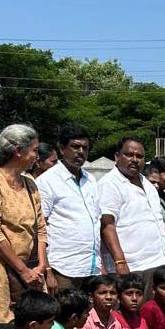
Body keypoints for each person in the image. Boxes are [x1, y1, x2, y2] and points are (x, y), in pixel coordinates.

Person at [0, 124, 49, 324]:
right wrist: (23, 271)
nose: (37, 156)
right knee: (1, 325)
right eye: (34, 150)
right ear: (18, 151)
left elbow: (40, 229)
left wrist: (41, 266)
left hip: (32, 269)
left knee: (35, 323)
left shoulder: (30, 183)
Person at [100, 137, 165, 290]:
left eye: (139, 156)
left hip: (156, 263)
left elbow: (157, 223)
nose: (134, 160)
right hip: (131, 267)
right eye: (129, 155)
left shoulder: (148, 184)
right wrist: (120, 262)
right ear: (117, 156)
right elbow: (107, 225)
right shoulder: (109, 184)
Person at [38, 125, 102, 292]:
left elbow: (96, 220)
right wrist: (48, 270)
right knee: (63, 316)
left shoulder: (91, 180)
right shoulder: (47, 181)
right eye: (75, 147)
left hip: (91, 266)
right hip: (63, 267)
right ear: (61, 148)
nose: (80, 152)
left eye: (85, 148)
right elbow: (40, 227)